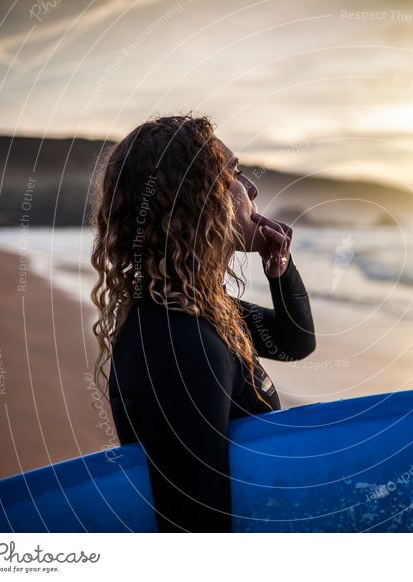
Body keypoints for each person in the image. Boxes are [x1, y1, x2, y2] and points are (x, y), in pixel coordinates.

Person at [89, 113, 316, 532]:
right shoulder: (175, 341)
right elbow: (194, 525)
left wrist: (279, 268)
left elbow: (294, 342)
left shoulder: (197, 310)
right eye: (233, 174)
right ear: (196, 198)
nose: (251, 188)